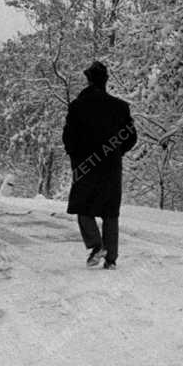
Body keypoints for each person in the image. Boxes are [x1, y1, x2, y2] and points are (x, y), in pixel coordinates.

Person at [62, 60, 137, 268]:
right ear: (105, 81)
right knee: (110, 211)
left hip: (85, 165)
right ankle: (111, 260)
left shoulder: (77, 106)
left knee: (82, 207)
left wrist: (76, 157)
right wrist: (115, 152)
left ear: (88, 80)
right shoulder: (120, 107)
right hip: (111, 166)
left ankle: (96, 245)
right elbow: (131, 137)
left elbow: (68, 138)